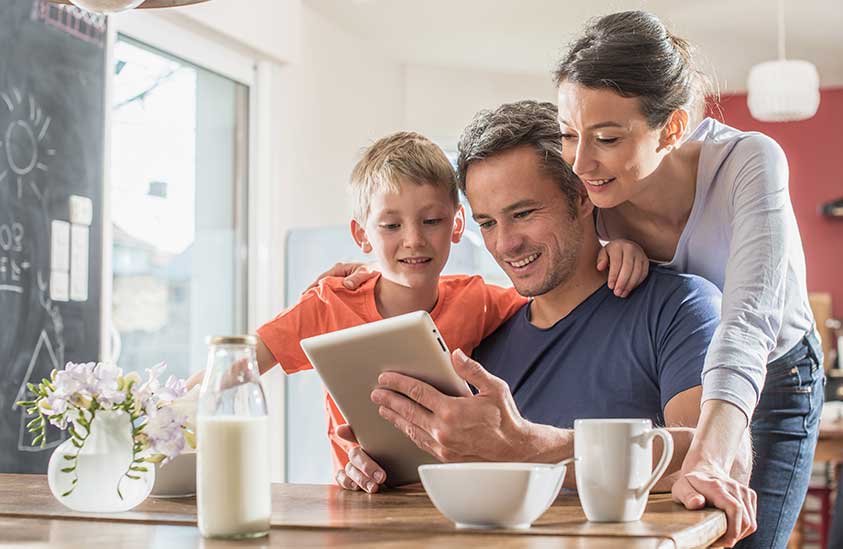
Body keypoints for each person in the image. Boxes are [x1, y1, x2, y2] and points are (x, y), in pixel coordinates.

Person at [186, 131, 644, 492]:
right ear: (362, 235)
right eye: (390, 226)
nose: (414, 240)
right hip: (362, 495)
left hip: (454, 498)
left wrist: (610, 248)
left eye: (431, 221)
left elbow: (558, 291)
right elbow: (238, 363)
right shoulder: (329, 304)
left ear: (457, 224)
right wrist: (167, 411)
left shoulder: (479, 298)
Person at [333, 101, 741, 497]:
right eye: (488, 223)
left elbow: (715, 460)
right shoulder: (483, 340)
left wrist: (527, 445)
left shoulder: (678, 307)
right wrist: (379, 473)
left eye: (524, 213)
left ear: (582, 196)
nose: (505, 244)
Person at [552, 10, 824, 548]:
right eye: (567, 134)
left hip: (775, 373)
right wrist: (605, 248)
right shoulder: (592, 194)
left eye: (606, 137)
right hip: (677, 378)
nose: (580, 162)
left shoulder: (748, 163)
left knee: (742, 536)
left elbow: (746, 322)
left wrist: (708, 453)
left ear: (672, 128)